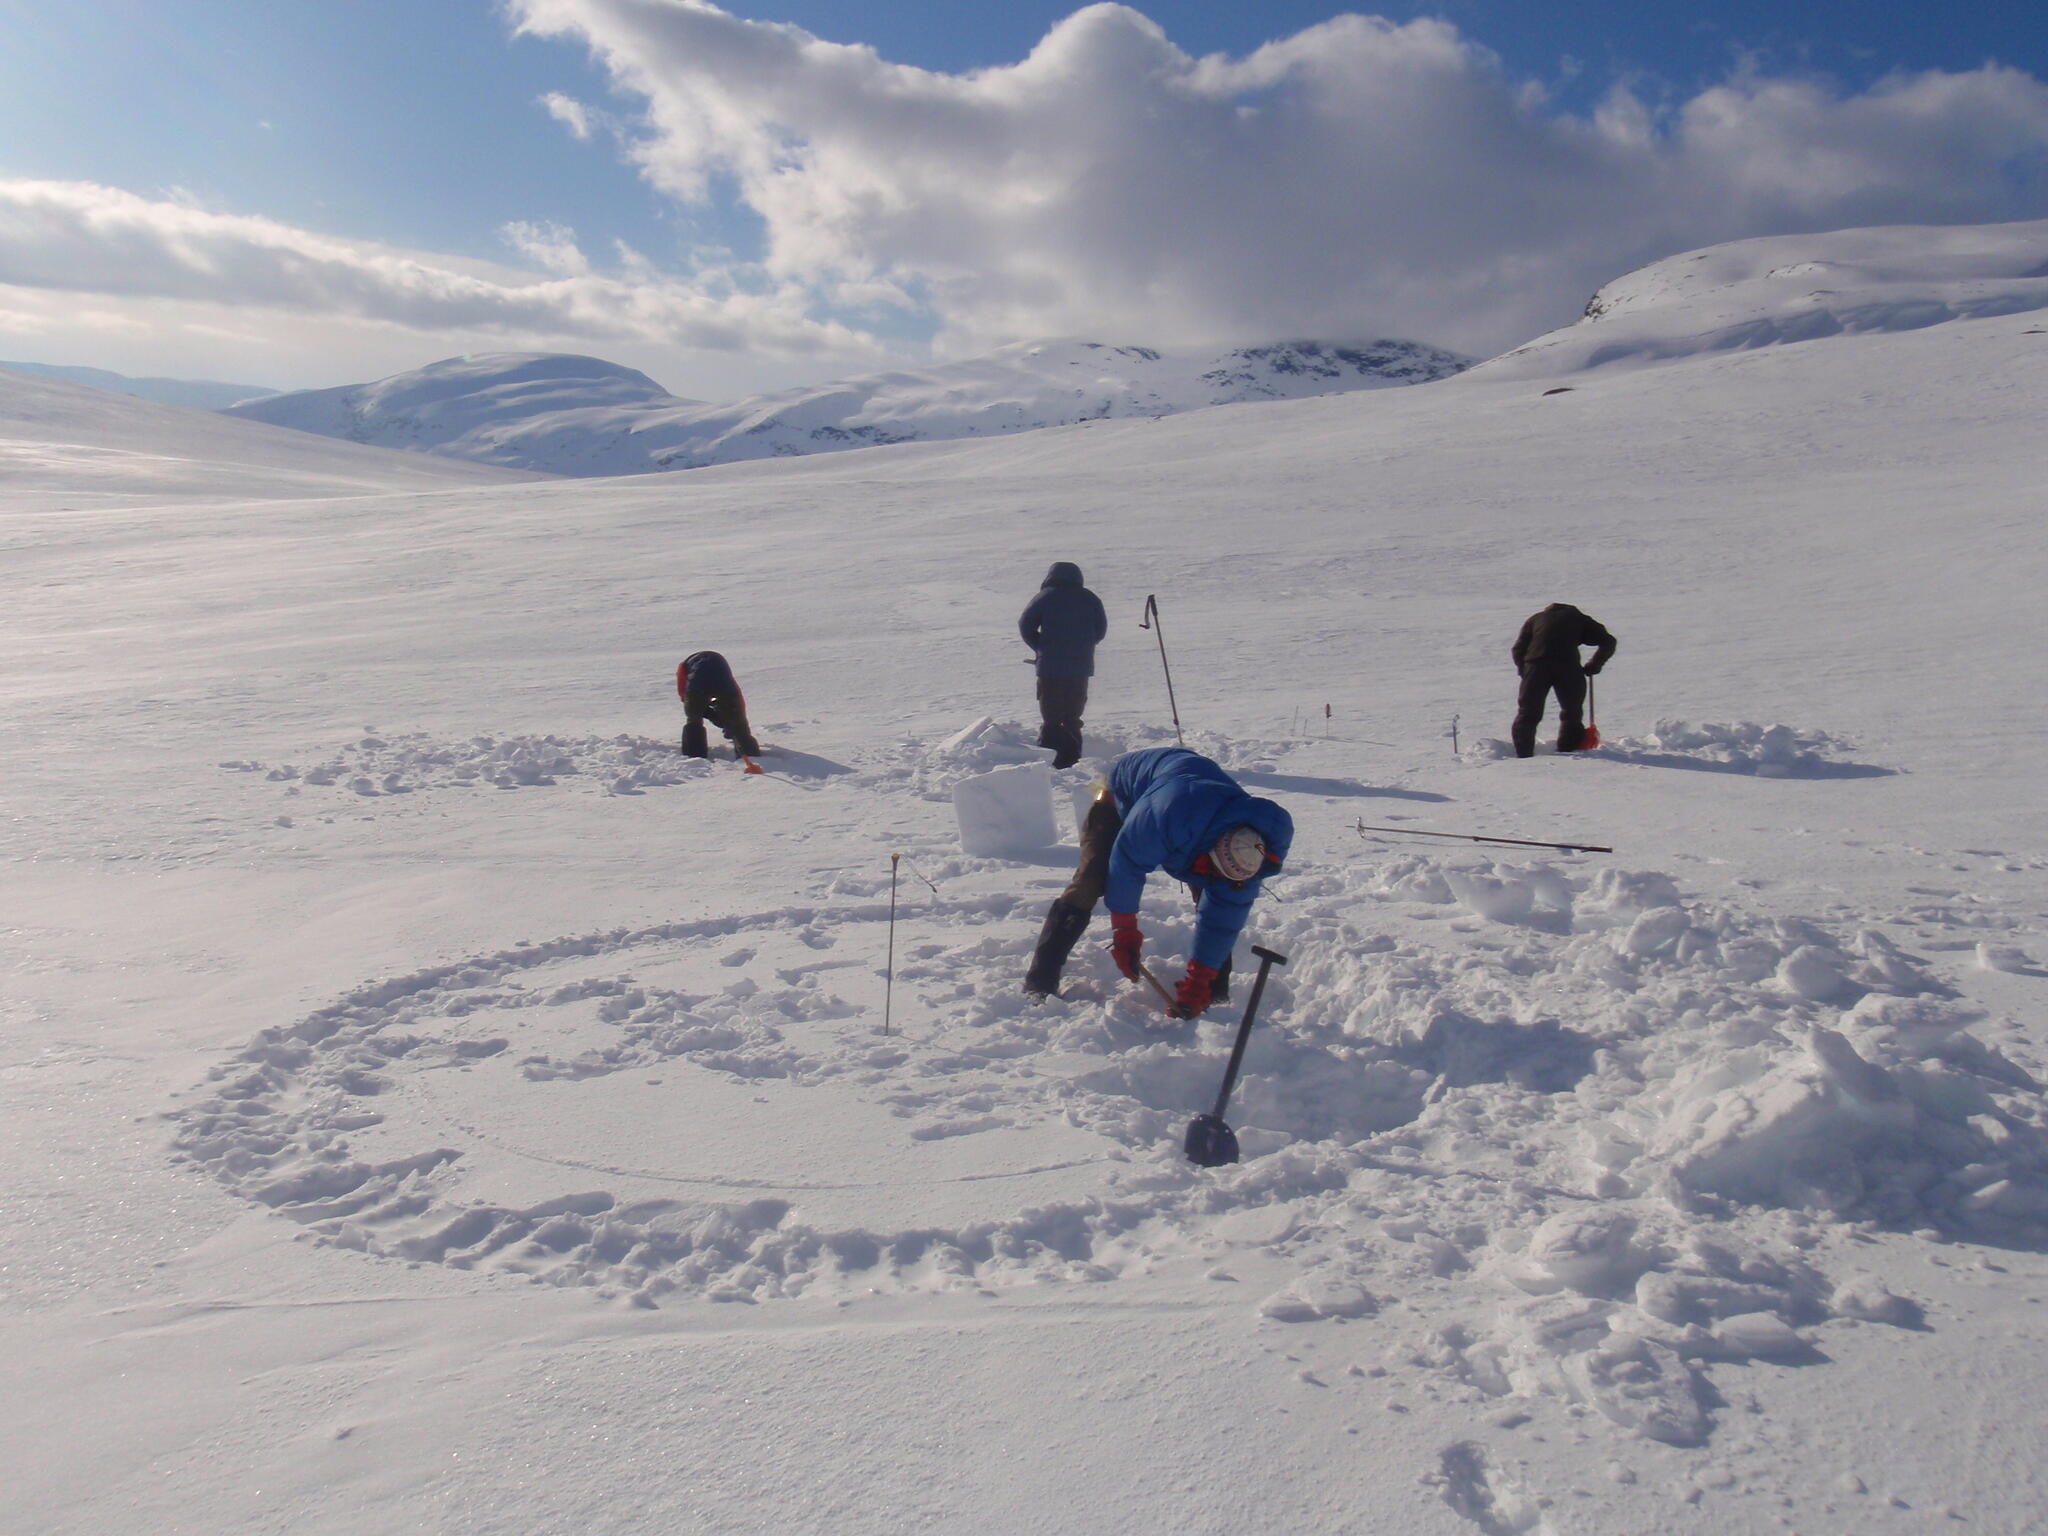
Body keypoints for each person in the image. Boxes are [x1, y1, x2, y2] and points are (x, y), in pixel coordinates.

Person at [1023, 747, 1293, 1015]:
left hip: (1195, 800)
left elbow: (1223, 919)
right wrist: (1125, 931)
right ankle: (1040, 980)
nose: (1221, 879)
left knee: (1216, 894)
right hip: (1121, 796)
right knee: (1091, 879)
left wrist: (1200, 980)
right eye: (1215, 869)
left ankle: (1212, 991)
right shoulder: (1168, 815)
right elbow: (1126, 865)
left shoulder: (1251, 859)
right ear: (1210, 851)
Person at [1017, 561, 1108, 769]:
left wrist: (1040, 646)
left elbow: (1025, 625)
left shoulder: (1045, 597)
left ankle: (1051, 758)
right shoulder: (1090, 598)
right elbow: (1100, 630)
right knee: (1072, 715)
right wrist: (1083, 646)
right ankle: (1073, 759)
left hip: (1050, 668)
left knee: (1051, 715)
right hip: (1080, 667)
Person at [1510, 603, 1616, 758]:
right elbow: (1609, 641)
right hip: (1567, 666)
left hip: (1536, 666)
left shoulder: (1536, 619)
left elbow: (1518, 649)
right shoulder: (1579, 618)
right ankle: (1568, 751)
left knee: (1528, 712)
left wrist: (1524, 670)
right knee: (1572, 712)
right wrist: (1595, 665)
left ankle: (1523, 753)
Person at [676, 650, 761, 760]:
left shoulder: (684, 666)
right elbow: (738, 702)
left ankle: (693, 755)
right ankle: (750, 755)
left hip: (696, 688)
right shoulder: (720, 664)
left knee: (694, 720)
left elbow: (683, 693)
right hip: (725, 688)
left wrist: (702, 711)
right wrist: (732, 721)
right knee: (737, 724)